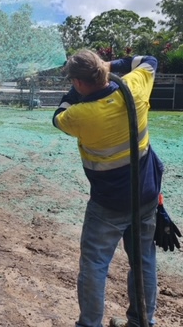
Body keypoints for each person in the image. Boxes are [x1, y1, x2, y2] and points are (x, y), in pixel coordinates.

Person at [52, 49, 164, 327]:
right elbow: (149, 61)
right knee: (143, 261)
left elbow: (58, 116)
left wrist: (76, 91)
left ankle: (90, 324)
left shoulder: (79, 115)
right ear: (102, 71)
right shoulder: (135, 90)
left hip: (108, 204)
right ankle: (142, 321)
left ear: (78, 83)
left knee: (94, 266)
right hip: (145, 195)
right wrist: (110, 64)